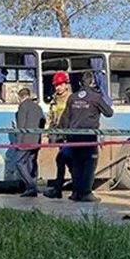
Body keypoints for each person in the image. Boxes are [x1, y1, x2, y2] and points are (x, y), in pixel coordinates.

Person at [58, 72, 113, 202]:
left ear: (80, 83)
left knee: (77, 165)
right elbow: (109, 113)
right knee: (89, 164)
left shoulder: (72, 97)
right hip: (89, 137)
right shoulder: (96, 97)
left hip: (73, 136)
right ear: (93, 83)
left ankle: (76, 193)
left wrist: (64, 135)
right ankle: (86, 193)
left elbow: (65, 118)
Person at [43, 70, 73, 199]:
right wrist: (45, 134)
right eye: (56, 85)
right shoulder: (54, 99)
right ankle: (60, 189)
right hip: (59, 135)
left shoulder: (71, 99)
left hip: (69, 135)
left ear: (66, 84)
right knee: (62, 161)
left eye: (60, 84)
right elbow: (50, 117)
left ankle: (67, 189)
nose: (58, 87)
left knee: (66, 161)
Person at [15, 87, 45, 197]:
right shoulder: (38, 107)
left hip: (25, 141)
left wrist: (18, 143)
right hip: (36, 140)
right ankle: (30, 188)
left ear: (20, 97)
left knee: (19, 162)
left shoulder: (22, 107)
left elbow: (21, 126)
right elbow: (43, 122)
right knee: (30, 162)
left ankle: (31, 186)